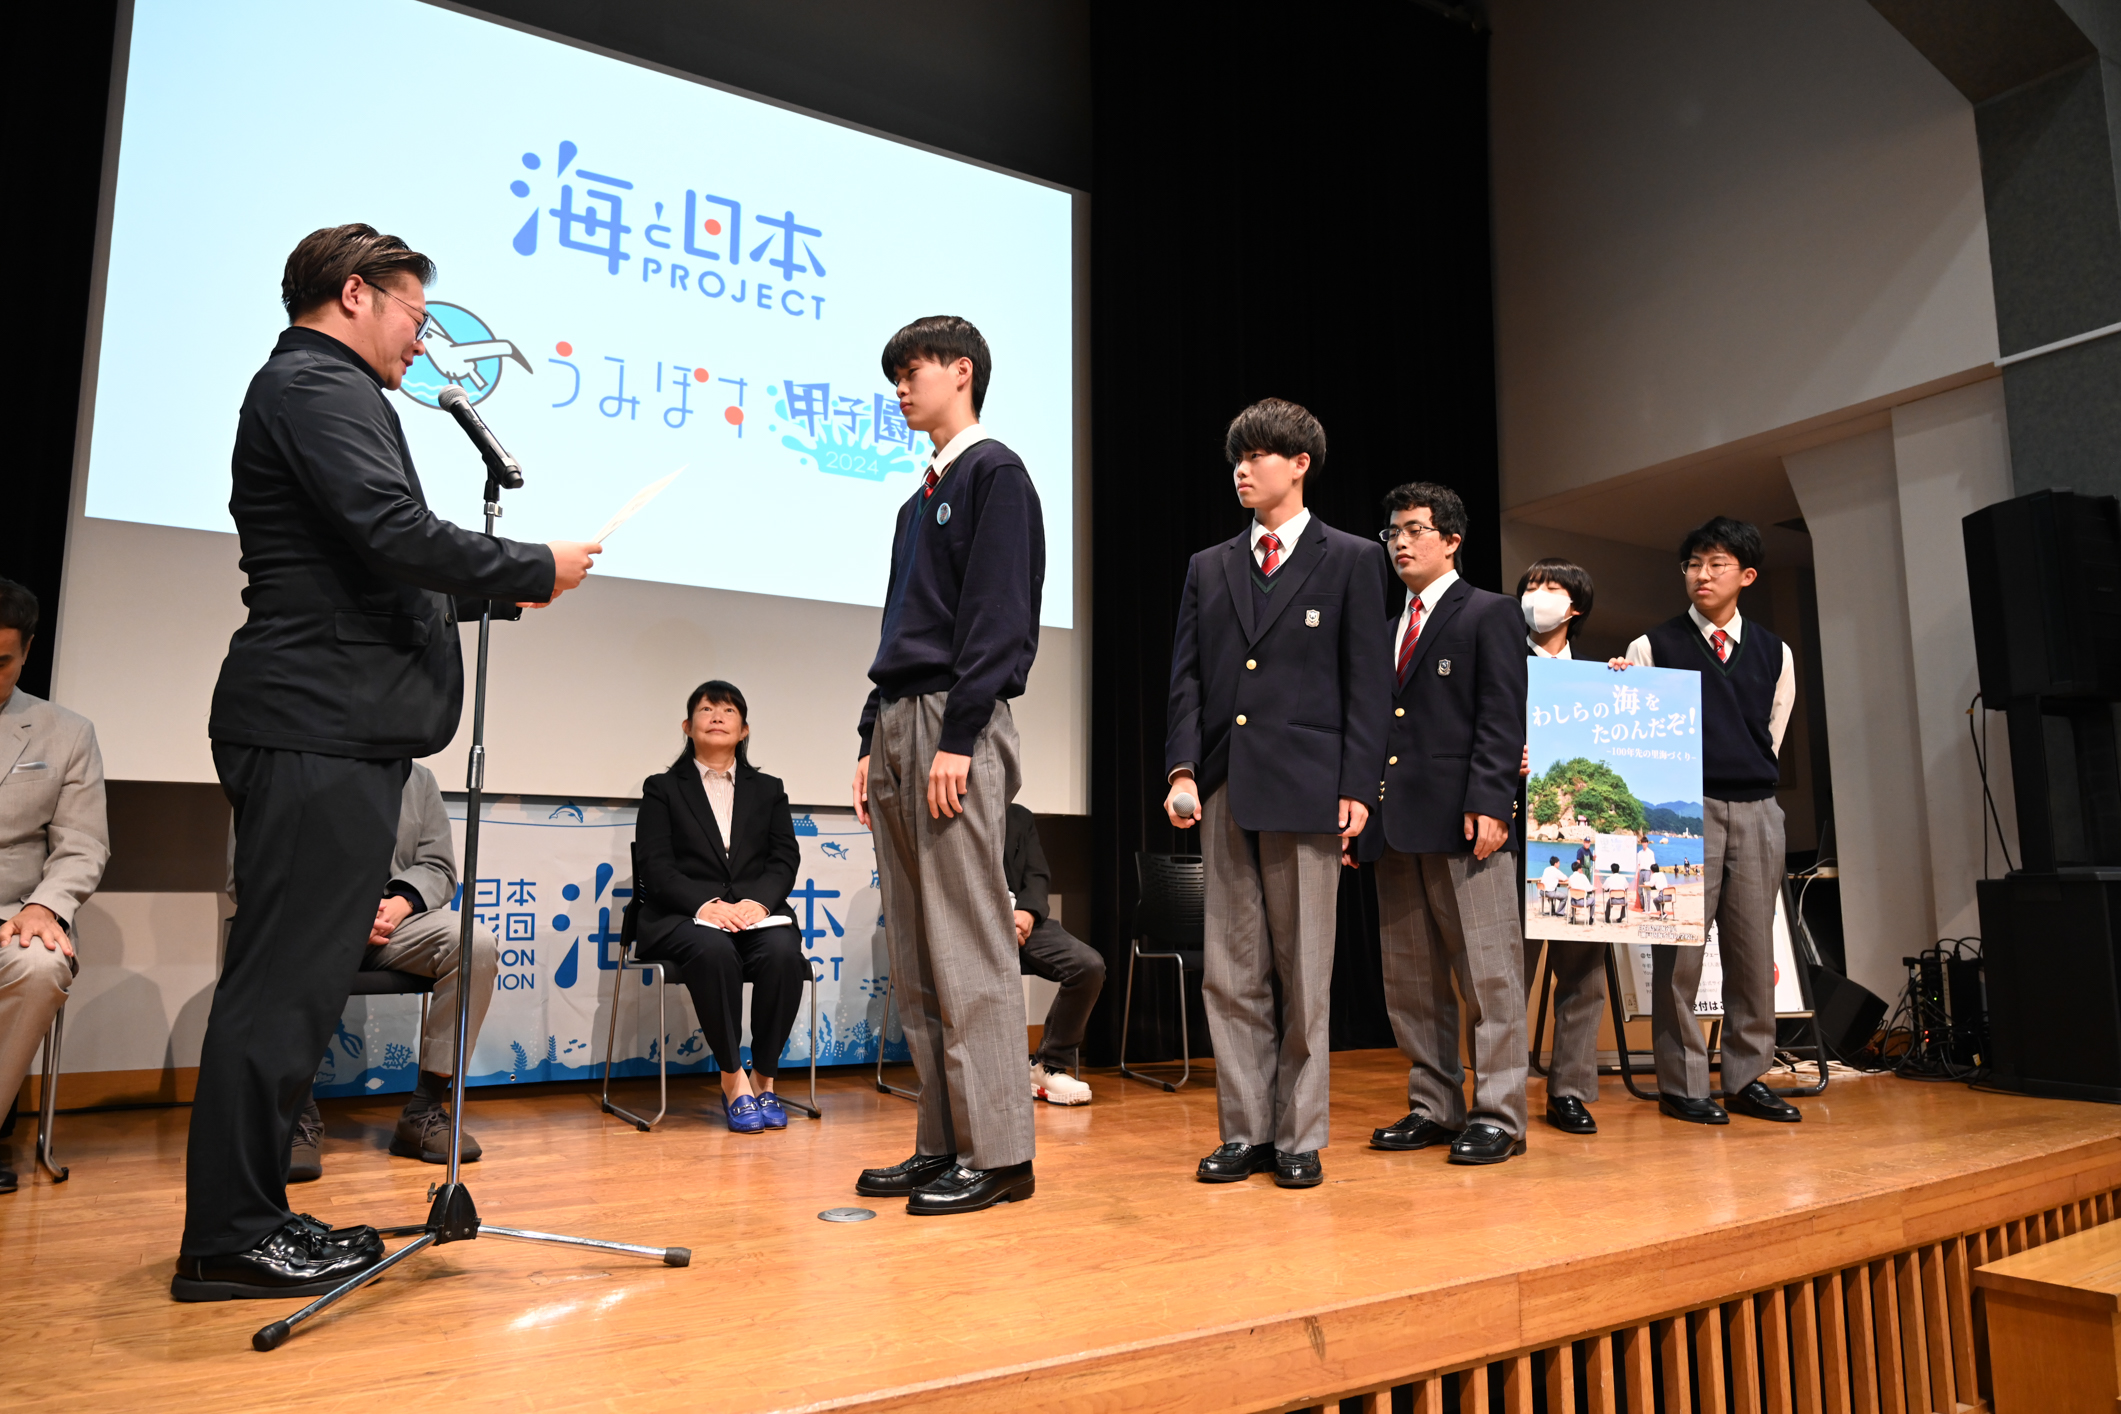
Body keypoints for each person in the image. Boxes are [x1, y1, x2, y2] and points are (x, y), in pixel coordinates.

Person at [176, 224, 600, 1303]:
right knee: (279, 992)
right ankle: (229, 1237)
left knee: (297, 990)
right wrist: (527, 562)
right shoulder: (316, 386)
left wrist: (509, 591)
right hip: (311, 722)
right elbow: (388, 529)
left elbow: (368, 566)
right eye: (417, 315)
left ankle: (254, 1220)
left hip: (336, 726)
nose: (423, 340)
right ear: (356, 293)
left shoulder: (329, 391)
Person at [1165, 398, 1389, 1191]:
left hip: (1310, 786)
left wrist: (1359, 785)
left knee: (1303, 970)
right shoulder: (1209, 565)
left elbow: (1368, 682)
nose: (1242, 468)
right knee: (1229, 972)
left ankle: (1298, 1134)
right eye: (1237, 456)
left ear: (1298, 465)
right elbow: (1186, 677)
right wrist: (1182, 768)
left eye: (1257, 454)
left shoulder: (1352, 558)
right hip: (1225, 783)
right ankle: (1244, 1131)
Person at [850, 316, 1045, 1216]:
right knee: (920, 950)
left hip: (951, 718)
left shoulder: (993, 473)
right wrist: (868, 739)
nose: (899, 388)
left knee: (968, 941)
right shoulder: (913, 501)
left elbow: (998, 617)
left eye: (912, 370)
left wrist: (959, 737)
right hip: (899, 719)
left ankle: (1000, 1154)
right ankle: (943, 1140)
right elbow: (899, 627)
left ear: (961, 372)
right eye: (893, 375)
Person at [1360, 482, 1530, 1167]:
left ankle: (1499, 1115)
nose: (1400, 542)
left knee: (1489, 976)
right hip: (1394, 825)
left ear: (1452, 540)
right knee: (1412, 981)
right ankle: (1434, 1105)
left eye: (1414, 530)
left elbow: (1501, 714)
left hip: (1467, 823)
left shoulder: (1489, 612)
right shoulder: (1383, 626)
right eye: (1392, 532)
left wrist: (1492, 801)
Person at [1611, 516, 1799, 1126]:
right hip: (1685, 813)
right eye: (1693, 563)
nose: (1702, 575)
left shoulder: (1774, 651)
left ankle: (1748, 1078)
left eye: (1717, 564)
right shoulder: (1652, 647)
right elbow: (1635, 738)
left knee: (1753, 954)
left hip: (1757, 811)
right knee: (1678, 957)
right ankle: (1683, 1083)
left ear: (1747, 576)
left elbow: (1772, 731)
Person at [274, 763, 500, 1182]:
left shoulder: (417, 778)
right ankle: (295, 1117)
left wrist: (401, 903)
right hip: (310, 923)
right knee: (274, 950)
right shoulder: (286, 766)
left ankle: (424, 1110)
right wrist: (343, 917)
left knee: (474, 944)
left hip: (391, 923)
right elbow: (252, 871)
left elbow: (438, 867)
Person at [635, 680, 806, 1134]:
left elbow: (784, 858)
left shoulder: (768, 789)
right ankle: (733, 1079)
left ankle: (764, 1079)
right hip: (682, 915)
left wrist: (759, 902)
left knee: (783, 954)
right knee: (712, 951)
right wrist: (703, 905)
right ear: (687, 726)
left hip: (753, 914)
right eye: (706, 709)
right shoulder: (663, 788)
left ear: (743, 730)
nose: (716, 716)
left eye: (728, 710)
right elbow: (655, 863)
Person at [0, 579, 109, 1195]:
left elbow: (83, 842)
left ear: (27, 651)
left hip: (15, 911)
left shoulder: (66, 732)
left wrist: (46, 905)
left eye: (0, 662)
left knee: (40, 965)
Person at [1005, 803, 1100, 1104]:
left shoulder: (1018, 815)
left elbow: (1037, 875)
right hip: (968, 923)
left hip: (1021, 919)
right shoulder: (949, 807)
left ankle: (1048, 1065)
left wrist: (1027, 913)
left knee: (1088, 965)